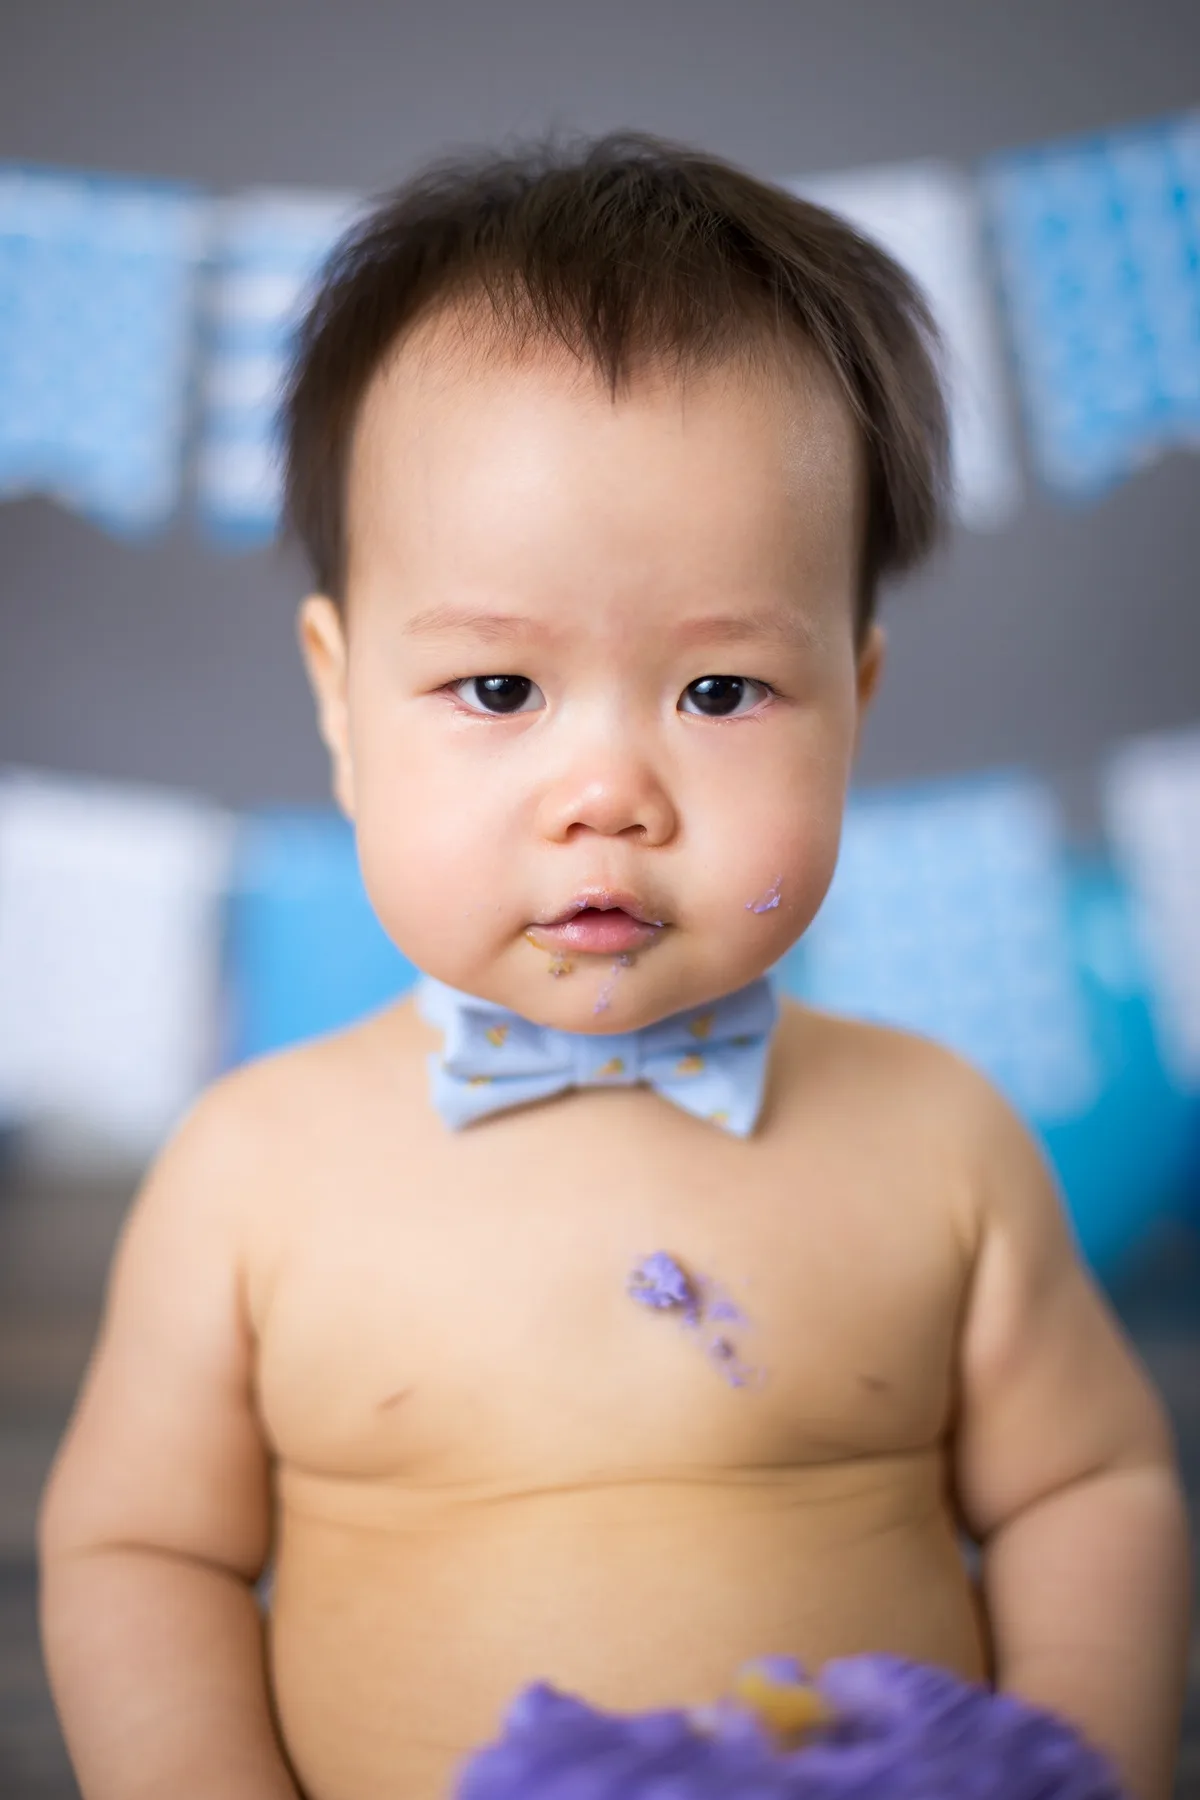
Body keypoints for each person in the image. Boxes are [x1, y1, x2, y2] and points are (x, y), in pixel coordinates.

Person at [38, 133, 1190, 1800]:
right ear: (339, 703)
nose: (609, 795)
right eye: (500, 691)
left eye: (720, 695)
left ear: (854, 701)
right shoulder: (253, 1173)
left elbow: (1093, 1491)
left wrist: (1079, 1762)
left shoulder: (939, 1143)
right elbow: (144, 1554)